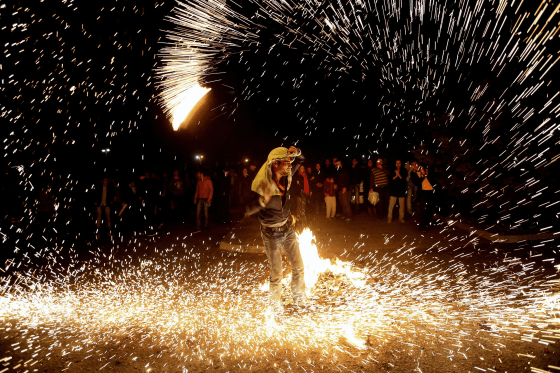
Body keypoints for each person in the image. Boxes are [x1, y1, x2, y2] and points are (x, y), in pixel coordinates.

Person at [245, 146, 307, 316]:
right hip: (271, 234)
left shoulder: (287, 175)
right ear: (275, 164)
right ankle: (275, 309)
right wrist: (262, 200)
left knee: (299, 267)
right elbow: (248, 209)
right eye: (286, 162)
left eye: (289, 162)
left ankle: (299, 299)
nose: (290, 165)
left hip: (287, 229)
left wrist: (296, 152)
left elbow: (301, 160)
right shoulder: (262, 184)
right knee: (277, 274)